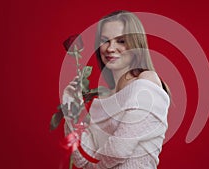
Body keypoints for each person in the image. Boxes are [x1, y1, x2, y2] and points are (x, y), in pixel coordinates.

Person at [63, 10, 170, 169]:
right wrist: (71, 110)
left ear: (136, 44)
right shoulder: (102, 100)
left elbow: (118, 151)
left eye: (121, 41)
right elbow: (82, 160)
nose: (110, 48)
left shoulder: (147, 81)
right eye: (105, 41)